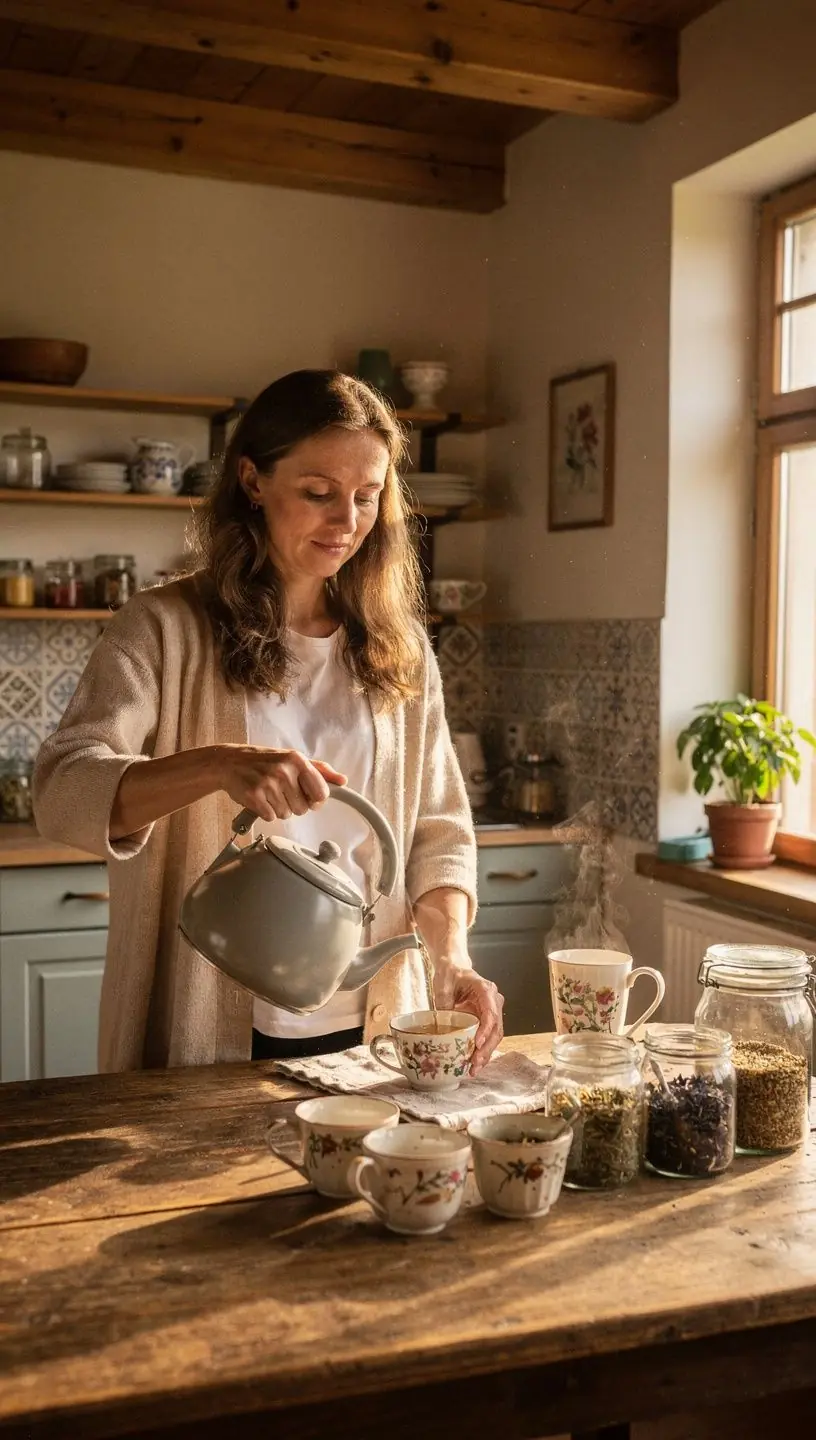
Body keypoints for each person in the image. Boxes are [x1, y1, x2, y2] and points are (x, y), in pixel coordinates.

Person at [33, 370, 503, 1073]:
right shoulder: (164, 629)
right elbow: (61, 791)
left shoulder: (396, 645)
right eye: (318, 493)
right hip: (209, 1020)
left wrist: (451, 959)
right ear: (253, 481)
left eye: (367, 497)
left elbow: (439, 832)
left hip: (374, 1026)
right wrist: (217, 766)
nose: (346, 521)